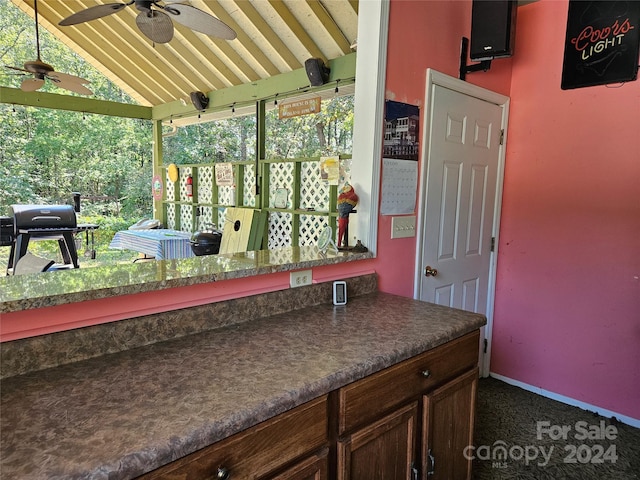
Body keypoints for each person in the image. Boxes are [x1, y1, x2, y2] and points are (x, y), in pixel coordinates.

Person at [337, 183, 358, 247]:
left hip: (342, 213)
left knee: (341, 227)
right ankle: (339, 243)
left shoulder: (353, 196)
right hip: (344, 214)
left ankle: (339, 243)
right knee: (342, 227)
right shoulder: (353, 196)